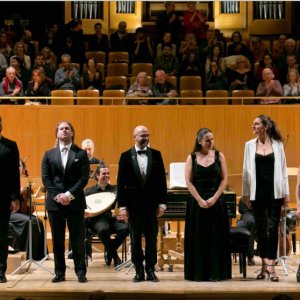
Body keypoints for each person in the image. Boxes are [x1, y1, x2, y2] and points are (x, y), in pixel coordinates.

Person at [117, 125, 167, 282]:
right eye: (142, 135)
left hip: (152, 205)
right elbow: (120, 183)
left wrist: (162, 204)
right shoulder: (125, 156)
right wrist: (123, 207)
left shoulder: (157, 155)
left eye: (147, 135)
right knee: (135, 239)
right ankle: (139, 270)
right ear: (134, 137)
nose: (145, 138)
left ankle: (151, 270)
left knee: (152, 239)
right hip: (133, 207)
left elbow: (161, 181)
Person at [242, 114, 289, 282]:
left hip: (274, 192)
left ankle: (271, 265)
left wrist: (286, 193)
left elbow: (283, 170)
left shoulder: (278, 145)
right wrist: (245, 192)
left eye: (256, 124)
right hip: (257, 192)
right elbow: (245, 172)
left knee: (273, 226)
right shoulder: (248, 145)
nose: (253, 126)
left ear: (265, 127)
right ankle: (264, 265)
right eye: (253, 124)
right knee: (260, 228)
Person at [41, 121, 90, 283]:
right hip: (55, 204)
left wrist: (68, 195)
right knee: (57, 240)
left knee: (77, 239)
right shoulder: (48, 154)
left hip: (75, 202)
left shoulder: (81, 154)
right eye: (61, 129)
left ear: (72, 133)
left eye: (67, 128)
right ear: (57, 133)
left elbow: (83, 179)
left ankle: (80, 271)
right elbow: (46, 179)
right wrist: (58, 196)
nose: (64, 131)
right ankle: (59, 273)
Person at [184, 127, 231, 281]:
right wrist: (199, 199)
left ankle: (216, 273)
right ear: (199, 141)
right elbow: (189, 182)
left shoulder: (219, 156)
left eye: (212, 139)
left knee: (215, 237)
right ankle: (199, 273)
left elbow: (224, 179)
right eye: (207, 140)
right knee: (199, 237)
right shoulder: (191, 157)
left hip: (216, 201)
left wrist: (215, 197)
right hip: (197, 202)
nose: (211, 142)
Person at [85, 163, 129, 267]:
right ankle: (115, 257)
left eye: (108, 173)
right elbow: (84, 208)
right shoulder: (89, 191)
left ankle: (110, 250)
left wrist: (120, 214)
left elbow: (120, 206)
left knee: (127, 228)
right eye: (104, 173)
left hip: (111, 218)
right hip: (96, 220)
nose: (106, 176)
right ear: (97, 176)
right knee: (104, 230)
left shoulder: (115, 190)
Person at [9, 159, 45, 260]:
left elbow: (29, 209)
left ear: (23, 169)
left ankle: (38, 255)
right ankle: (26, 255)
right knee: (29, 221)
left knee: (38, 221)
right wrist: (18, 192)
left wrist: (29, 194)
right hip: (9, 213)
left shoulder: (24, 182)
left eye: (19, 167)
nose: (17, 169)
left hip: (20, 213)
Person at [0, 116, 21, 283]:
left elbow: (15, 173)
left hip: (3, 196)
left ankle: (1, 270)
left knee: (1, 235)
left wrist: (15, 197)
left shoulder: (10, 145)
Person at [236, 197, 256, 266]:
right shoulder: (244, 198)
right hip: (248, 214)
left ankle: (269, 256)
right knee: (251, 223)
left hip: (260, 213)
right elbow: (241, 210)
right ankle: (250, 256)